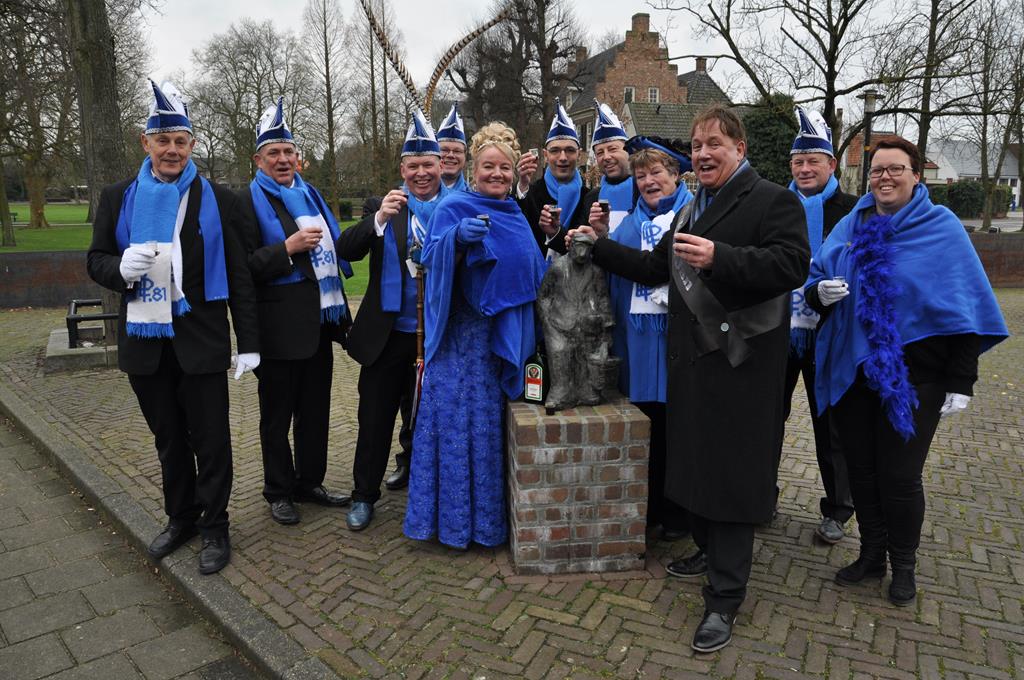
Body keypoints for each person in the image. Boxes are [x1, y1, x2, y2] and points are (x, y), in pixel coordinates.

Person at [569, 106, 809, 652]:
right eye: (697, 146)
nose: (702, 153)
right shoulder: (692, 208)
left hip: (740, 366)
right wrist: (596, 245)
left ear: (740, 149)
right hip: (694, 366)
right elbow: (654, 268)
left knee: (732, 476)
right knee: (698, 464)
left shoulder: (774, 200)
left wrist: (721, 258)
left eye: (714, 144)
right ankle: (706, 550)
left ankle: (725, 597)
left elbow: (791, 265)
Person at [806, 138, 1008, 607]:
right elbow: (815, 278)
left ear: (917, 175)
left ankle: (904, 565)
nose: (885, 177)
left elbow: (965, 306)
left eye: (896, 169)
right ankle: (871, 555)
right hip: (854, 372)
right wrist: (820, 293)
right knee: (862, 473)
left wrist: (962, 381)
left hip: (917, 380)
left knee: (899, 478)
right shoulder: (852, 224)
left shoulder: (942, 228)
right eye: (877, 170)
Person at [86, 80, 259, 575]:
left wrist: (249, 342)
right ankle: (181, 517)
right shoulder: (118, 197)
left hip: (201, 340)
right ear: (146, 143)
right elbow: (96, 259)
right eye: (162, 140)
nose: (172, 150)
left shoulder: (220, 199)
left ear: (192, 145)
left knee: (212, 441)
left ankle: (215, 526)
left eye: (181, 141)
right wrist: (121, 268)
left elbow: (240, 276)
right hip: (145, 343)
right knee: (169, 440)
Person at [404, 121, 546, 549]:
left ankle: (486, 525)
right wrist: (457, 241)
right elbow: (430, 260)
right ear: (473, 169)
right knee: (454, 429)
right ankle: (451, 526)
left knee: (487, 432)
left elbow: (532, 271)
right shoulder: (453, 208)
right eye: (488, 166)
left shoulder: (515, 213)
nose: (497, 174)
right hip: (459, 341)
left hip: (498, 339)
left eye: (504, 167)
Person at [235, 97, 353, 526]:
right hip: (278, 329)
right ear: (258, 160)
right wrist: (286, 249)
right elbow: (243, 267)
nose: (283, 159)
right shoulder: (246, 202)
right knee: (277, 416)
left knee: (315, 410)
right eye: (274, 153)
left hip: (319, 323)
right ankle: (279, 490)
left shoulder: (310, 194)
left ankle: (309, 482)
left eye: (288, 151)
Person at [336, 109, 445, 531]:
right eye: (413, 166)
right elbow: (346, 249)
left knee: (427, 421)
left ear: (440, 166)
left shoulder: (454, 208)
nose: (421, 173)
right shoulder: (383, 206)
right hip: (388, 338)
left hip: (436, 336)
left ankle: (426, 490)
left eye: (428, 164)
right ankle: (364, 495)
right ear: (402, 170)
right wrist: (379, 218)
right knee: (375, 420)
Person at [586, 138, 692, 543]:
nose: (648, 181)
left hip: (679, 347)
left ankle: (678, 513)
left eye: (656, 173)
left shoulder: (693, 215)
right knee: (647, 428)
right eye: (641, 175)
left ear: (675, 175)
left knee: (679, 431)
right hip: (638, 347)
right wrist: (601, 238)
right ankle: (648, 509)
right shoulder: (629, 224)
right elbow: (612, 275)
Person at [778, 107, 858, 543]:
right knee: (767, 419)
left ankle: (839, 509)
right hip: (777, 330)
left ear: (832, 164)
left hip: (829, 332)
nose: (805, 169)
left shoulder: (852, 211)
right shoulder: (776, 205)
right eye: (798, 161)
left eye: (813, 161)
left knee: (832, 425)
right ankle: (761, 495)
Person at [515, 99, 590, 257]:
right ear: (545, 155)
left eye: (569, 150)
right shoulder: (530, 194)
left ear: (579, 154)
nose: (563, 157)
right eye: (555, 151)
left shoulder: (589, 198)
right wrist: (522, 184)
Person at [578, 101, 638, 235]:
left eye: (612, 149)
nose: (606, 157)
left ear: (628, 150)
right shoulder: (591, 198)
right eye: (600, 153)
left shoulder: (644, 190)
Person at [436, 103, 469, 193]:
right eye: (444, 150)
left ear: (465, 156)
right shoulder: (408, 196)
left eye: (457, 151)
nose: (450, 155)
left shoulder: (474, 198)